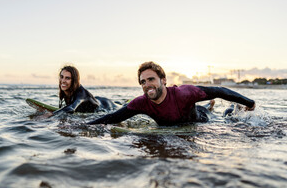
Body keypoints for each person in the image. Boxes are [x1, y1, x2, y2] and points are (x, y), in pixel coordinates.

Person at [88, 61, 255, 126]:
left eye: (151, 79)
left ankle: (231, 107)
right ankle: (209, 106)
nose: (147, 85)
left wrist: (249, 103)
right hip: (178, 120)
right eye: (143, 82)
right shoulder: (141, 103)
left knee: (228, 116)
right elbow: (112, 118)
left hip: (202, 120)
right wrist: (82, 126)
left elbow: (219, 91)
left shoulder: (184, 93)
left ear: (164, 80)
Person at [45, 65, 117, 117]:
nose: (63, 81)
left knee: (121, 106)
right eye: (61, 77)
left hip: (107, 106)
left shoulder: (81, 94)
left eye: (67, 78)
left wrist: (51, 115)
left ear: (74, 81)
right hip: (96, 100)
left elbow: (71, 108)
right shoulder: (68, 91)